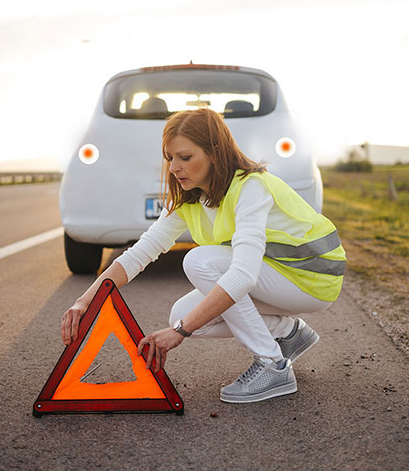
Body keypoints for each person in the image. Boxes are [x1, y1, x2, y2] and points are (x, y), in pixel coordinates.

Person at [61, 108, 346, 404]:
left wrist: (180, 333)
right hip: (278, 275)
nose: (174, 168)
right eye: (170, 158)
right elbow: (138, 255)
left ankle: (272, 364)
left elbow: (243, 275)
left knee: (199, 263)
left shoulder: (250, 187)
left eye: (185, 157)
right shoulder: (191, 200)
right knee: (179, 315)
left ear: (214, 153)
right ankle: (288, 333)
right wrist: (85, 302)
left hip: (312, 278)